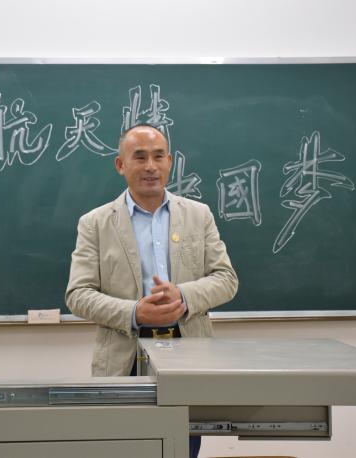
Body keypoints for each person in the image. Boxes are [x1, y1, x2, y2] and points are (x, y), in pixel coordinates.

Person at [65, 124, 238, 457]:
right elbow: (78, 294)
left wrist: (183, 295)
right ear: (121, 165)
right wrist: (135, 313)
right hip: (124, 359)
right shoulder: (95, 223)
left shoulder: (198, 215)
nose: (150, 166)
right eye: (140, 157)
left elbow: (226, 278)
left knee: (183, 447)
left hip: (188, 357)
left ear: (169, 161)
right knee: (125, 449)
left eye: (159, 157)